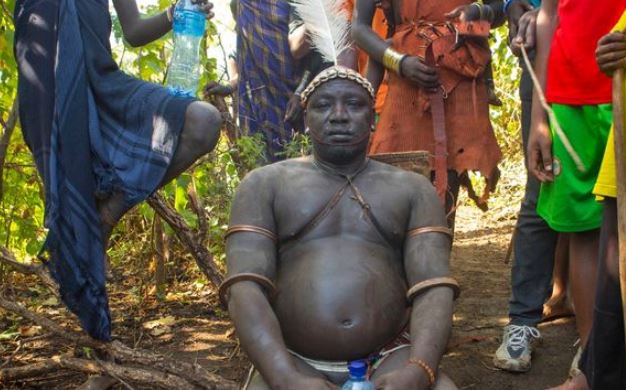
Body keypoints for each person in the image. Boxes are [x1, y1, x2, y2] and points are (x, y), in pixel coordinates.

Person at [221, 66, 459, 389]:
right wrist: (285, 378)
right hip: (293, 361)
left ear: (372, 119)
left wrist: (419, 370)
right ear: (306, 119)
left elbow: (434, 286)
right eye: (322, 106)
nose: (339, 116)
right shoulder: (264, 184)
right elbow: (244, 289)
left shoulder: (413, 189)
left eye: (354, 105)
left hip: (390, 357)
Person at [13, 0, 222, 341]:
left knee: (204, 121)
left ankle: (108, 213)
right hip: (47, 96)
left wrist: (175, 13)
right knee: (76, 214)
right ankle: (99, 347)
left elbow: (135, 32)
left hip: (104, 84)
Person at [526, 0, 626, 378]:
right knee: (584, 231)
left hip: (623, 88)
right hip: (569, 101)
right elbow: (548, 14)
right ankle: (591, 364)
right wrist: (540, 115)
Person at [352, 0, 505, 228]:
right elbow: (359, 28)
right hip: (406, 74)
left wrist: (476, 13)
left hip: (460, 73)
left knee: (449, 172)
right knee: (397, 170)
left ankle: (437, 253)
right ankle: (399, 254)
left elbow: (499, 12)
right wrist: (400, 63)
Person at [493, 0, 564, 373]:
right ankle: (522, 322)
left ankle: (599, 335)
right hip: (545, 52)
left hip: (609, 51)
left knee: (609, 201)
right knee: (543, 188)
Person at [232, 0, 299, 161]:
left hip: (293, 98)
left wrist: (301, 91)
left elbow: (312, 50)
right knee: (260, 166)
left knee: (298, 163)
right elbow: (245, 53)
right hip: (254, 100)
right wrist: (231, 85)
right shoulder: (241, 4)